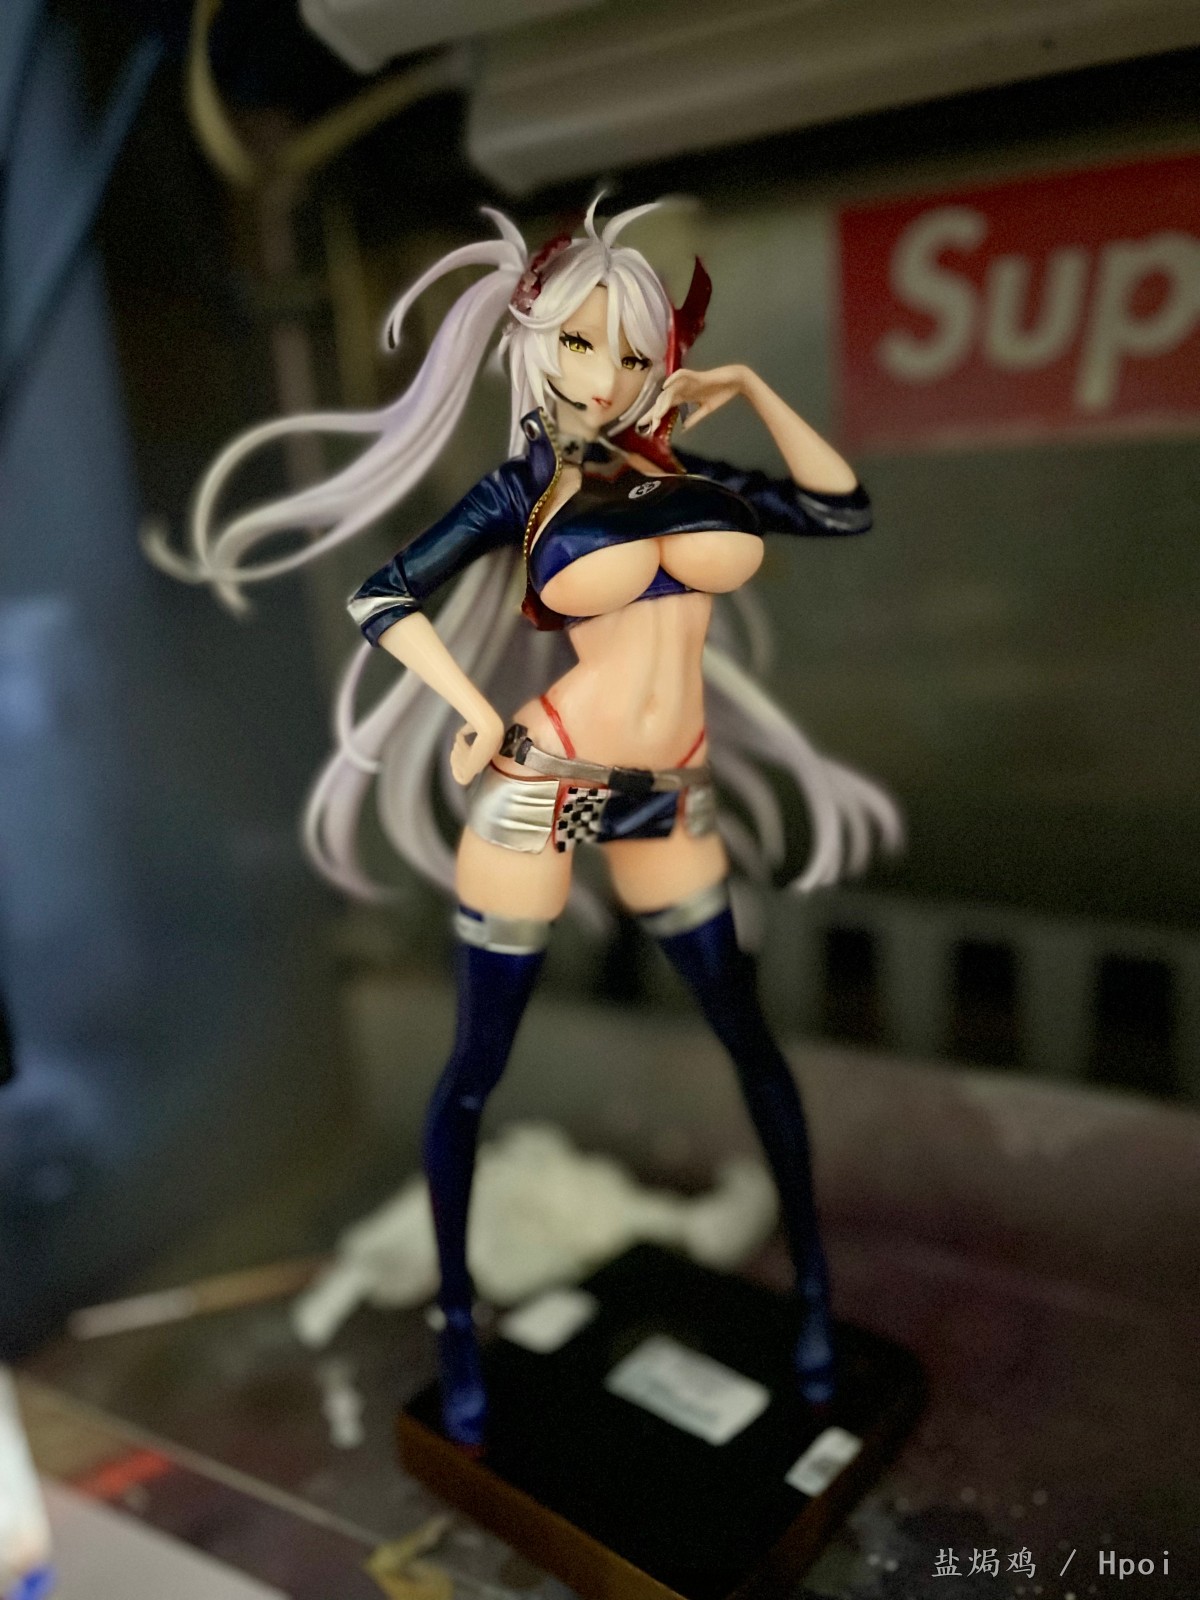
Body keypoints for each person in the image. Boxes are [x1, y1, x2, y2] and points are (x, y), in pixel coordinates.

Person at [155, 198, 900, 1449]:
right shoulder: (522, 489)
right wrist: (472, 713)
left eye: (632, 348)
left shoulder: (695, 478)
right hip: (543, 784)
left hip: (672, 787)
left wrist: (751, 386)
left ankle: (818, 1291)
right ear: (535, 344)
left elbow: (839, 508)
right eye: (580, 343)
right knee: (475, 1069)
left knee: (748, 1035)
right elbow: (381, 594)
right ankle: (457, 1323)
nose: (605, 373)